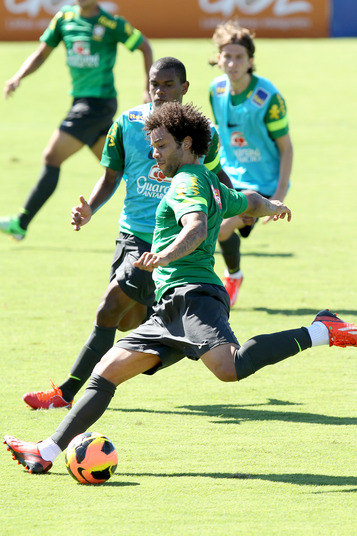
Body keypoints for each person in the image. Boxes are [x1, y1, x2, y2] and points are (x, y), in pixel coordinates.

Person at [4, 102, 356, 475]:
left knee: (230, 368)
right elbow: (246, 200)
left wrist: (163, 256)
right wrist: (271, 205)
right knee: (107, 371)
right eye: (152, 146)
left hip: (193, 297)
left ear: (187, 143)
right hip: (170, 306)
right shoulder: (205, 179)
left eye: (161, 145)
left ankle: (322, 330)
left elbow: (197, 229)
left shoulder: (187, 182)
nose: (154, 153)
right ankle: (45, 451)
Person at [20, 57, 233, 411]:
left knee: (109, 309)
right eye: (155, 84)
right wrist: (89, 207)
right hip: (130, 236)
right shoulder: (128, 124)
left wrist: (242, 209)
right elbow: (110, 177)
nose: (160, 91)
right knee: (126, 320)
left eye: (168, 84)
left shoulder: (200, 133)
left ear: (184, 88)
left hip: (167, 244)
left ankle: (66, 393)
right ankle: (168, 342)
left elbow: (216, 178)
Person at [0, 0, 153, 241]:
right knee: (124, 168)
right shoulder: (64, 18)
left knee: (52, 157)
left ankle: (21, 224)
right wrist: (18, 76)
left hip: (96, 105)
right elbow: (41, 53)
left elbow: (145, 46)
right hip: (81, 102)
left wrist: (147, 88)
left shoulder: (111, 24)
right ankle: (168, 212)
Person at [209, 20, 293, 306]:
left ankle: (231, 277)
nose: (232, 63)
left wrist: (279, 196)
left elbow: (286, 147)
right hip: (229, 176)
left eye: (239, 57)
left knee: (220, 226)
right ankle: (225, 278)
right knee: (206, 223)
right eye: (227, 56)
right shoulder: (216, 90)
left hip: (264, 184)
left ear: (250, 61)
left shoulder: (268, 98)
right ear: (218, 58)